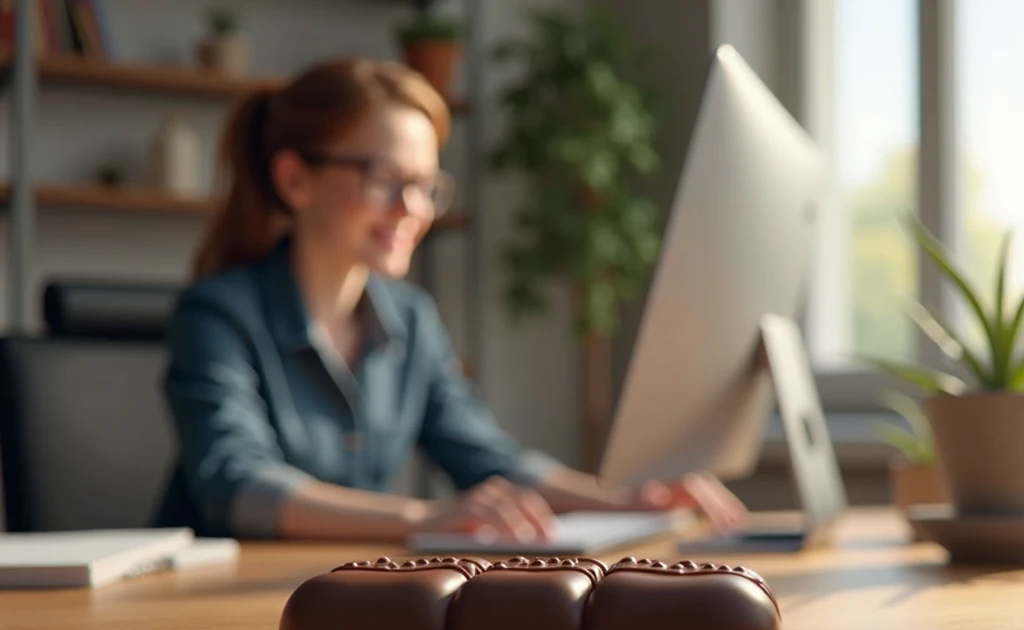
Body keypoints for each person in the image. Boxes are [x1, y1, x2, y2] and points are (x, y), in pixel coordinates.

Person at [155, 57, 747, 543]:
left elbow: (489, 459)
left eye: (425, 186)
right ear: (294, 181)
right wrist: (421, 517)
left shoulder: (411, 319)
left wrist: (628, 502)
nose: (413, 209)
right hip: (201, 609)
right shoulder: (217, 314)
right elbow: (236, 485)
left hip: (344, 595)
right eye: (386, 178)